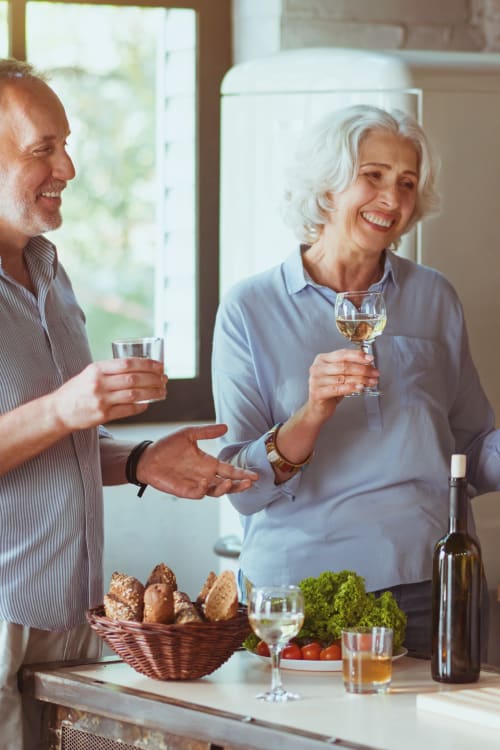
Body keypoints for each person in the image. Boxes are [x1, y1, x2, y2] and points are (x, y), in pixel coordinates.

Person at [211, 104, 500, 656]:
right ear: (326, 188)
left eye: (407, 182)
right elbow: (237, 485)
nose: (393, 199)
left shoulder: (433, 296)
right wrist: (314, 411)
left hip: (427, 583)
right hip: (299, 592)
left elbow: (464, 461)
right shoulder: (251, 308)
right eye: (373, 176)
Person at [0, 60, 258, 750]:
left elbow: (44, 447)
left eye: (67, 143)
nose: (70, 167)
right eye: (43, 149)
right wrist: (62, 409)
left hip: (71, 618)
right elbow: (53, 417)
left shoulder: (50, 273)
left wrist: (140, 461)